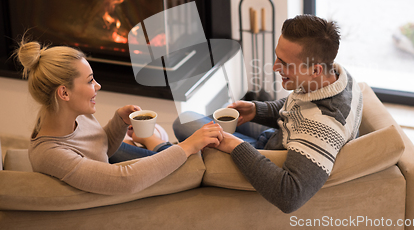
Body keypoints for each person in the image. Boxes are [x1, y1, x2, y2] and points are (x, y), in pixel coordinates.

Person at [173, 15, 363, 213]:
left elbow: (289, 196)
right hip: (274, 138)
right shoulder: (339, 78)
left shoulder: (323, 126)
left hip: (264, 155)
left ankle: (160, 149)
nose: (274, 67)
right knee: (188, 121)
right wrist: (257, 110)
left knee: (183, 124)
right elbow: (300, 107)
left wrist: (236, 146)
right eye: (277, 57)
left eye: (284, 63)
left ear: (315, 70)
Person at [14, 38, 223, 195]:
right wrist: (187, 146)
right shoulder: (51, 154)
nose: (98, 86)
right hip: (116, 197)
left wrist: (119, 122)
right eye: (89, 81)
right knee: (190, 163)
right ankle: (163, 144)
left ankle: (159, 143)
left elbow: (98, 147)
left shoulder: (65, 113)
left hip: (109, 170)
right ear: (64, 93)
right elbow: (125, 181)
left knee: (175, 149)